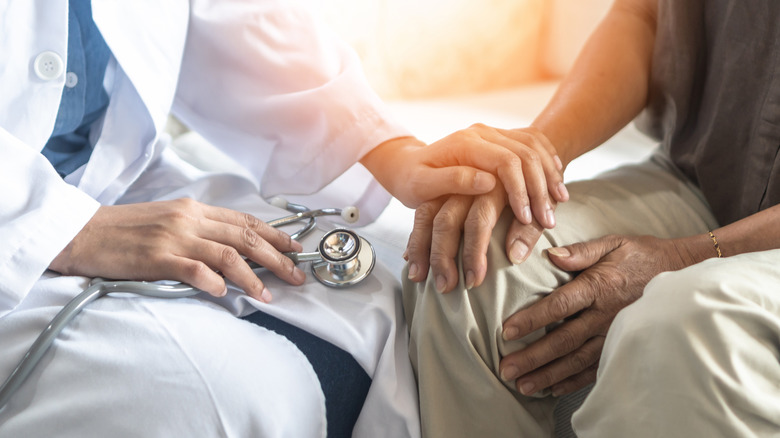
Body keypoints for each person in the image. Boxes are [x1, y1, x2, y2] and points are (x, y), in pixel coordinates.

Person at [0, 0, 570, 436]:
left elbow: (228, 15)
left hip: (119, 174)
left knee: (403, 282)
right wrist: (70, 228)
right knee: (218, 397)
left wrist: (387, 149)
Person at [403, 0, 780, 436]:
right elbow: (643, 17)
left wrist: (684, 258)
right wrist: (535, 157)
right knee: (474, 258)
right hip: (702, 176)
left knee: (681, 327)